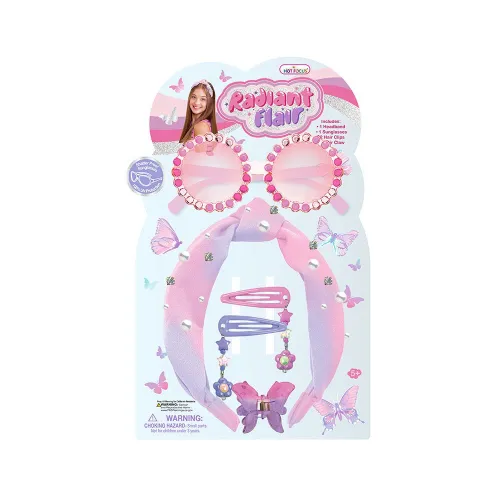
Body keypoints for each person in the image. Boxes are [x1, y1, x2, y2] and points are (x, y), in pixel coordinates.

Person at [179, 80, 218, 144]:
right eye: (194, 97)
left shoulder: (201, 126)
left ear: (210, 103)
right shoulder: (194, 124)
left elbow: (203, 151)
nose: (197, 102)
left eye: (203, 99)